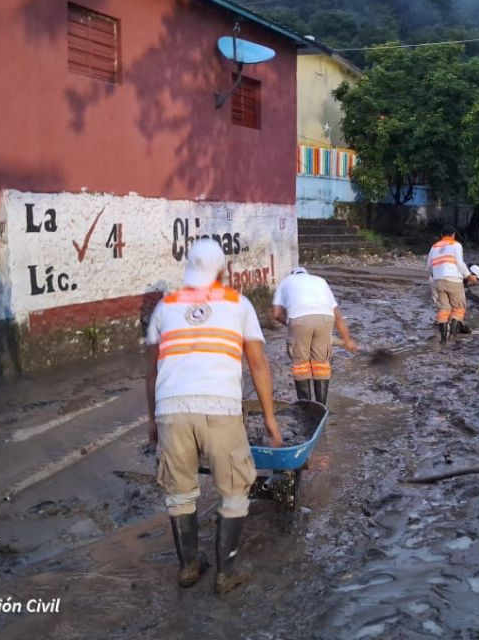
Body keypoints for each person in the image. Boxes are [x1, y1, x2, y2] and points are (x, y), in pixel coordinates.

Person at [145, 238, 283, 594]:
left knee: (179, 493)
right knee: (235, 490)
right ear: (223, 270)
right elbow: (257, 364)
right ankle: (226, 574)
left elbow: (152, 371)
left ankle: (189, 567)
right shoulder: (238, 304)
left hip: (171, 409)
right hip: (220, 408)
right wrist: (269, 419)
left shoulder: (165, 306)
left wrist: (152, 421)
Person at [271, 267, 358, 405]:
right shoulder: (320, 281)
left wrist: (292, 324)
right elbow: (338, 315)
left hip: (298, 319)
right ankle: (321, 406)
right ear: (306, 274)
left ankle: (306, 408)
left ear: (293, 274)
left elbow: (276, 313)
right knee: (321, 365)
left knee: (301, 366)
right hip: (325, 318)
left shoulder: (285, 282)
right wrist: (347, 340)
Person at [427, 226, 478, 344]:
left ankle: (443, 341)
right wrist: (469, 276)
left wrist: (438, 273)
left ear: (441, 235)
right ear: (453, 235)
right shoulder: (456, 245)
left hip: (438, 281)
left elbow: (429, 266)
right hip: (454, 280)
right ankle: (452, 338)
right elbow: (460, 263)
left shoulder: (434, 246)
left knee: (444, 309)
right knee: (459, 308)